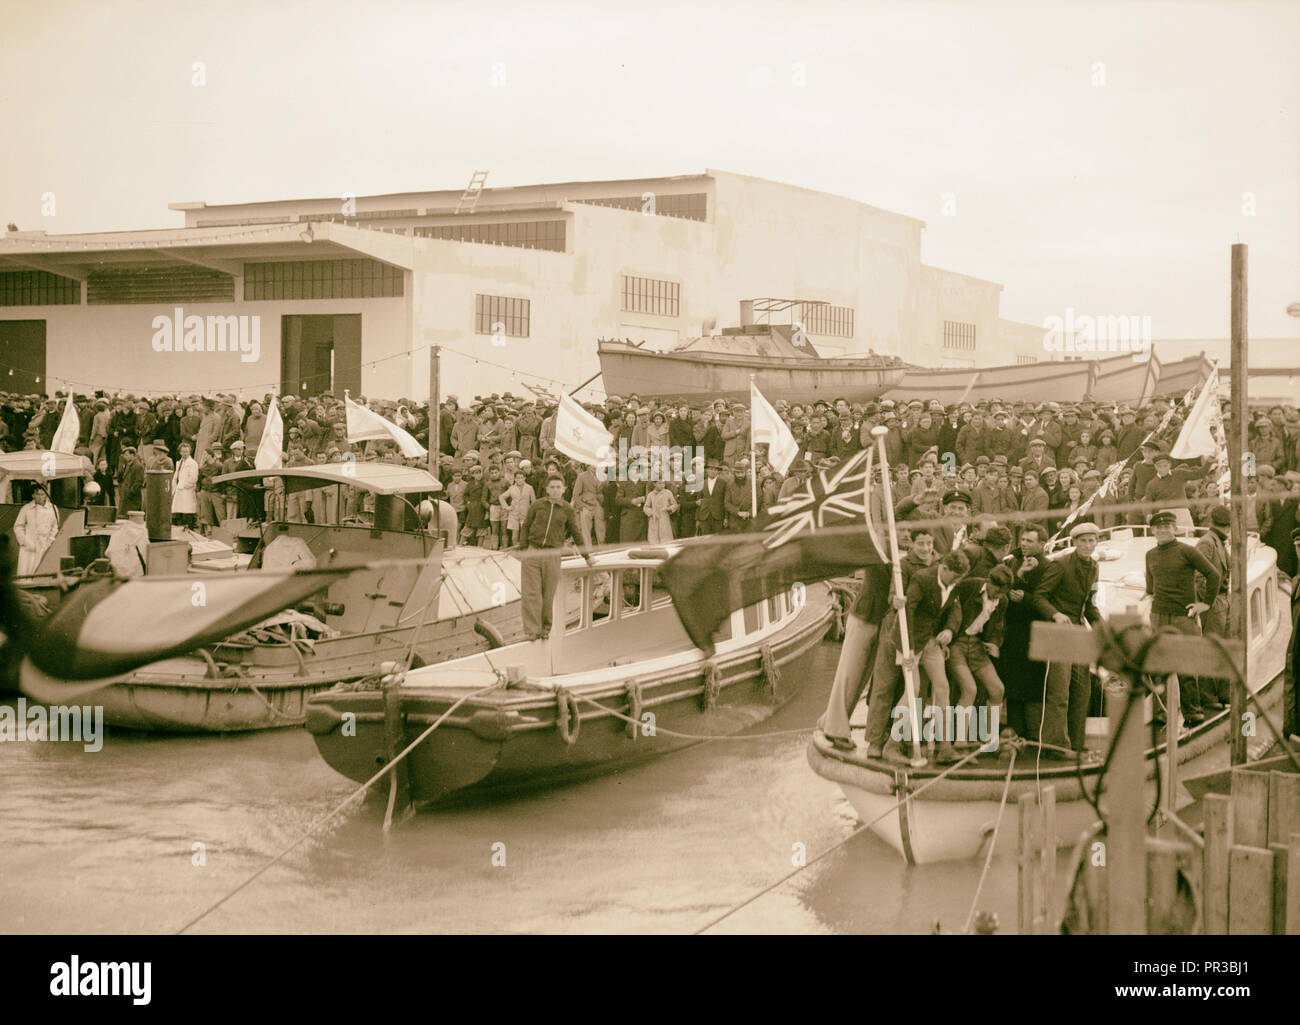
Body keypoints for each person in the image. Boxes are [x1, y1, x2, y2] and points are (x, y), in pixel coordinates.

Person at [1028, 521, 1103, 758]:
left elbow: (1090, 605)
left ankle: (1077, 744)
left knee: (1082, 689)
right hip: (1058, 633)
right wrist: (1056, 614)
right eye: (1083, 541)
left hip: (1079, 631)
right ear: (1074, 542)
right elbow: (1039, 598)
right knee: (1059, 691)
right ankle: (1057, 746)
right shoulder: (1059, 565)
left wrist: (1104, 629)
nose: (1088, 545)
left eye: (1092, 540)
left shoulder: (1094, 566)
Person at [1145, 508, 1221, 726]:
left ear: (1175, 529)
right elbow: (1151, 584)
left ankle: (1193, 713)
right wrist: (1150, 593)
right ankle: (1161, 715)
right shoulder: (1150, 555)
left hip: (1183, 617)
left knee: (1187, 667)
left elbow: (1213, 575)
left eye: (1167, 527)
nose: (1162, 530)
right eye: (1158, 527)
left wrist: (1205, 604)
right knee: (1160, 667)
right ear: (1152, 530)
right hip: (1158, 615)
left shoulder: (1187, 551)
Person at [519, 475, 581, 640]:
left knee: (548, 594)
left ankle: (545, 629)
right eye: (552, 487)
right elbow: (526, 526)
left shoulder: (567, 509)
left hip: (553, 554)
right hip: (533, 552)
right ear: (546, 489)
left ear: (564, 489)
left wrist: (587, 555)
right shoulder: (537, 505)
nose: (555, 490)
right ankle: (532, 631)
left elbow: (575, 531)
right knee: (531, 594)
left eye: (558, 487)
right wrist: (524, 548)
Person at [1194, 504, 1233, 711]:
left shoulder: (1219, 541)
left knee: (1224, 648)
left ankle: (1225, 693)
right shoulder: (1207, 543)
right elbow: (1199, 576)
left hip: (1223, 600)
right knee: (1211, 648)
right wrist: (1206, 603)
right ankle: (1208, 696)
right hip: (1214, 603)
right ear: (1226, 525)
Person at [14, 487, 59, 576]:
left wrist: (49, 542)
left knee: (41, 570)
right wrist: (25, 542)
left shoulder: (53, 509)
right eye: (37, 494)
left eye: (42, 494)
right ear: (33, 495)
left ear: (46, 495)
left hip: (44, 545)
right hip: (28, 546)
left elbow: (55, 527)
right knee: (25, 571)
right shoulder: (26, 508)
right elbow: (18, 526)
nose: (40, 497)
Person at [171, 441, 199, 528]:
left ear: (189, 452)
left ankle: (189, 530)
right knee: (178, 512)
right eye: (183, 451)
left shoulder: (192, 463)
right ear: (180, 452)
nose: (185, 453)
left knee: (187, 512)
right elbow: (177, 476)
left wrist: (183, 486)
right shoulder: (179, 463)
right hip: (179, 490)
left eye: (186, 451)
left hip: (187, 491)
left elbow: (193, 478)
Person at [643, 478, 678, 544]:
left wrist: (668, 508)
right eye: (659, 483)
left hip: (665, 519)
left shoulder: (668, 493)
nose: (662, 485)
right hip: (654, 521)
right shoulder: (650, 495)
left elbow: (675, 505)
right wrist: (652, 512)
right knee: (654, 540)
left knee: (666, 540)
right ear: (654, 484)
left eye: (663, 483)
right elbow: (645, 507)